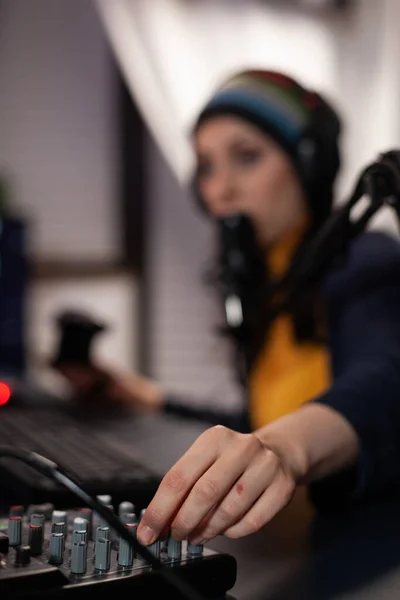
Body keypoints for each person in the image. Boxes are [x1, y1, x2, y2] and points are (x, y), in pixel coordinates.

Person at [56, 70, 400, 548]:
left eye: (247, 157)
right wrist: (148, 398)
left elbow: (384, 382)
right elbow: (262, 417)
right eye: (206, 167)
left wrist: (284, 449)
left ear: (310, 166)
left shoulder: (366, 257)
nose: (220, 190)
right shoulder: (266, 287)